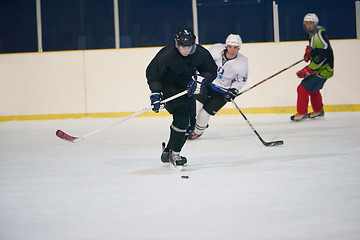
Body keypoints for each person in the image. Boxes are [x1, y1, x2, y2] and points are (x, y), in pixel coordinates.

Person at [146, 29, 218, 167]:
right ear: (177, 44)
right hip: (169, 89)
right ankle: (176, 153)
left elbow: (211, 70)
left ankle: (168, 151)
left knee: (190, 125)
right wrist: (156, 93)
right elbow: (152, 73)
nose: (186, 49)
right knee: (181, 118)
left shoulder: (200, 53)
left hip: (187, 89)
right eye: (183, 46)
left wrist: (202, 79)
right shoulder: (166, 55)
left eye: (189, 46)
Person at [188, 34, 248, 140]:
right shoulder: (216, 50)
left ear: (239, 48)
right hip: (207, 84)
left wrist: (233, 90)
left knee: (204, 114)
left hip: (222, 92)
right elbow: (204, 61)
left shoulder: (242, 62)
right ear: (226, 46)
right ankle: (186, 127)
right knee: (195, 105)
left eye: (235, 47)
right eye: (230, 46)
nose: (232, 50)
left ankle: (197, 132)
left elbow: (240, 81)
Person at [291, 13, 334, 121]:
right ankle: (318, 111)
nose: (309, 25)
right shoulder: (312, 35)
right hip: (321, 68)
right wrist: (309, 54)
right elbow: (317, 51)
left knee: (302, 88)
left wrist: (309, 69)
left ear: (315, 24)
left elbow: (323, 55)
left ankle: (302, 113)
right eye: (307, 23)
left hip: (325, 69)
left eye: (311, 23)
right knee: (313, 89)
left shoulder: (319, 35)